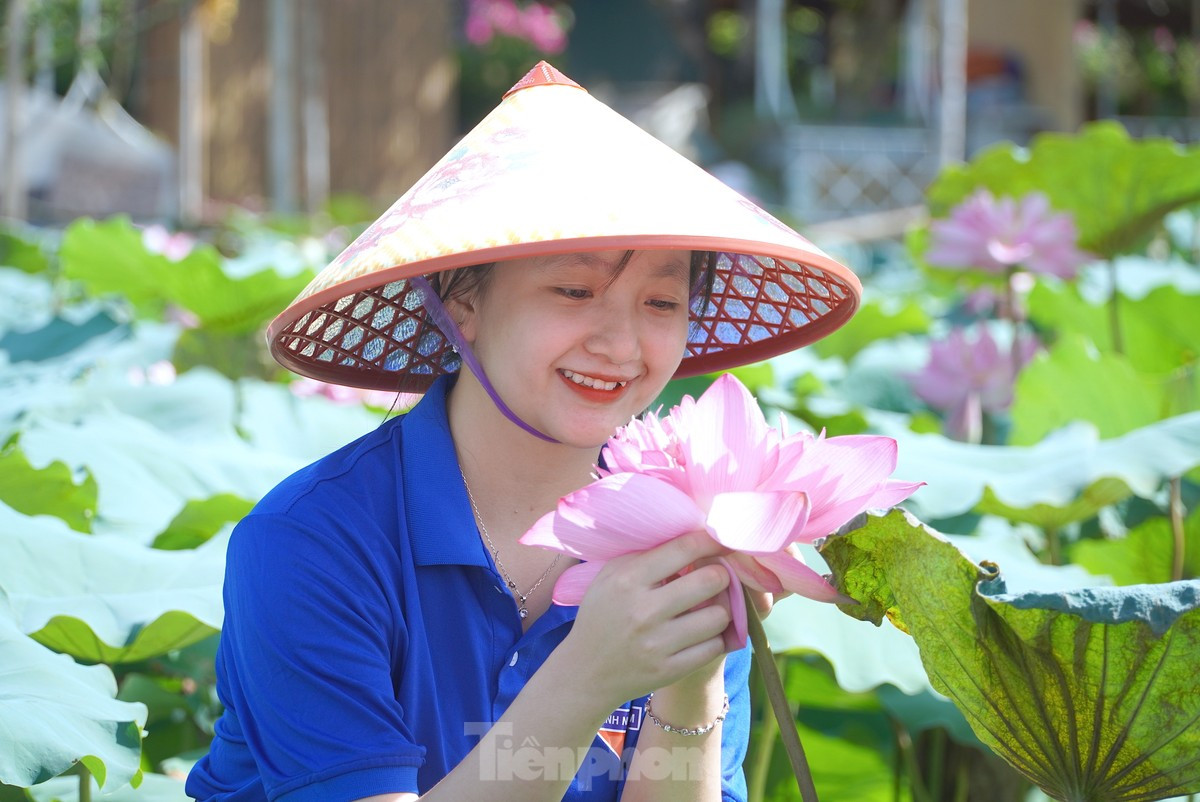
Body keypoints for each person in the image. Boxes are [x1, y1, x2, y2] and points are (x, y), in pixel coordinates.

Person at [186, 62, 860, 802]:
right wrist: (588, 674)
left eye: (661, 302)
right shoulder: (312, 543)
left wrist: (691, 675)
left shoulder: (689, 530)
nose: (622, 345)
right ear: (461, 303)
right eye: (574, 290)